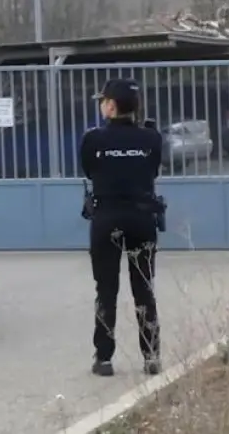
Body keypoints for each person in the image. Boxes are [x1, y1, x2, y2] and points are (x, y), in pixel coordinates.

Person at [80, 77, 164, 377]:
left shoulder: (93, 140)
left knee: (106, 289)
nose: (102, 105)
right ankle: (151, 356)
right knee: (144, 289)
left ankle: (104, 359)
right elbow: (154, 170)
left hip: (107, 220)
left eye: (103, 101)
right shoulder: (151, 138)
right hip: (142, 219)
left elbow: (89, 170)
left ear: (111, 106)